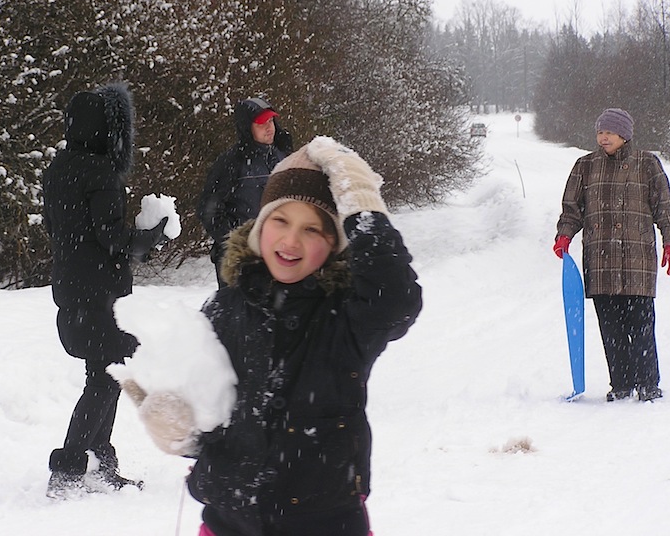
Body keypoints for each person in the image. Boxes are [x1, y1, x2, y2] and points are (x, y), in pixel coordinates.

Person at [137, 136, 422, 535]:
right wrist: (182, 428)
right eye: (280, 221)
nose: (291, 241)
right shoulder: (223, 310)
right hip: (228, 523)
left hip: (325, 521)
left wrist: (361, 202)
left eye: (312, 230)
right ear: (259, 226)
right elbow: (212, 418)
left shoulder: (346, 318)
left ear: (333, 244)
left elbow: (395, 297)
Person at [42, 82, 168, 498]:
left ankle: (99, 461)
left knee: (104, 374)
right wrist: (152, 236)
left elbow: (60, 229)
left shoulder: (58, 169)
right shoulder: (102, 173)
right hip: (99, 294)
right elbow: (114, 239)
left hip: (70, 291)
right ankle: (70, 468)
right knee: (107, 379)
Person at [553, 108, 670, 403]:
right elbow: (572, 209)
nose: (603, 137)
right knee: (610, 327)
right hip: (601, 261)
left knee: (641, 324)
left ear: (625, 135)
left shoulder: (647, 164)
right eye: (599, 132)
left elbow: (664, 208)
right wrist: (564, 235)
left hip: (638, 261)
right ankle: (620, 383)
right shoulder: (585, 166)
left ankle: (648, 383)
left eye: (609, 132)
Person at [197, 97, 293, 287]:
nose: (269, 127)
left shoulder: (284, 158)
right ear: (247, 127)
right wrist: (234, 243)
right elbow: (207, 210)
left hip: (277, 256)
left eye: (271, 120)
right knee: (238, 313)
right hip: (239, 263)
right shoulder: (231, 163)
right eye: (261, 123)